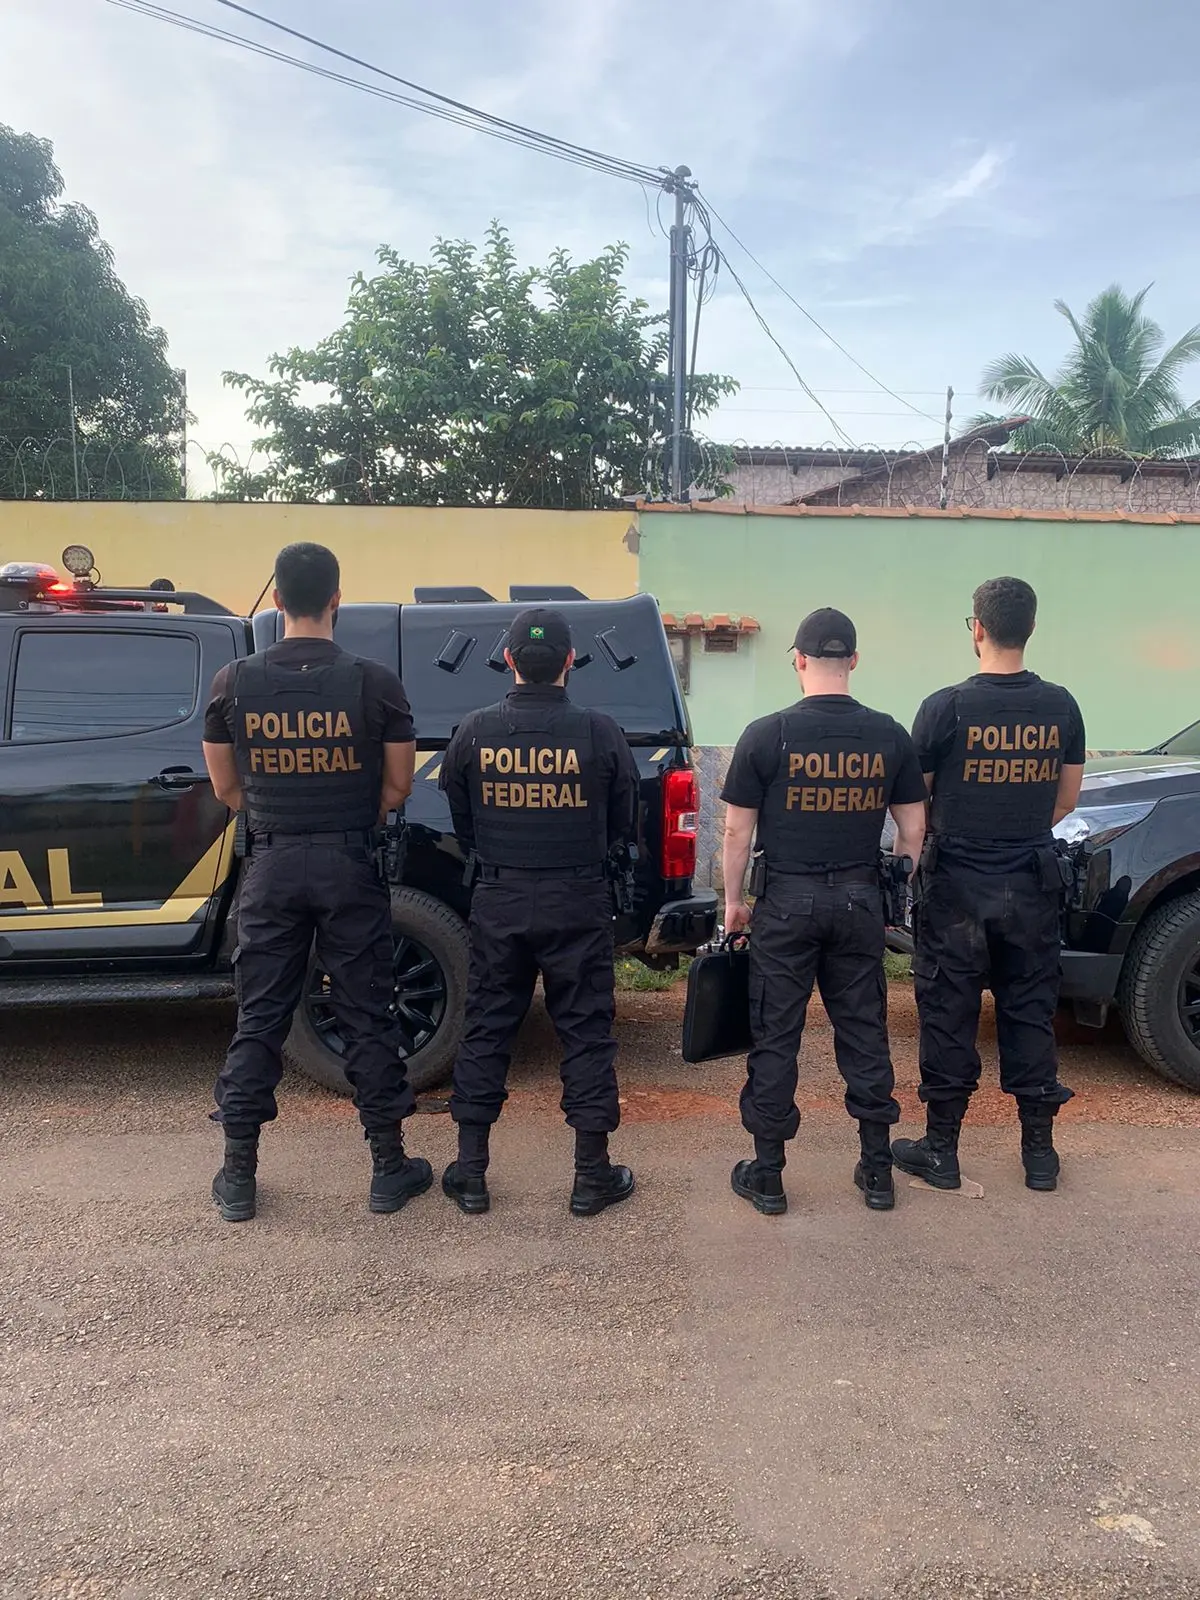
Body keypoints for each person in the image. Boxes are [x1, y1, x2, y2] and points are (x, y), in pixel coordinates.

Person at [201, 542, 430, 1222]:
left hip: (271, 865)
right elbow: (398, 786)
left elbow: (226, 790)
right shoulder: (375, 683)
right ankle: (388, 1170)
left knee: (260, 1017)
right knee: (366, 1013)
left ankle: (238, 1177)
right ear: (337, 600)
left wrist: (281, 815)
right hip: (348, 865)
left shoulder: (232, 682)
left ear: (276, 601)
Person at [721, 608, 927, 1214]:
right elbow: (913, 828)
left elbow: (735, 832)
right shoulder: (888, 734)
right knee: (864, 1031)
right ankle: (877, 1171)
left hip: (785, 904)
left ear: (800, 660)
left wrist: (734, 903)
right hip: (860, 901)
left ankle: (768, 1176)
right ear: (854, 661)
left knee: (776, 1035)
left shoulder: (767, 734)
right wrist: (897, 890)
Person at [438, 607, 640, 1217]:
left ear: (509, 661)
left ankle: (471, 1173)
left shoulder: (474, 730)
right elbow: (624, 820)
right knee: (586, 1032)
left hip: (499, 899)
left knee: (487, 1028)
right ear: (570, 662)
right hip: (577, 898)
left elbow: (461, 816)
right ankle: (591, 1176)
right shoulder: (600, 731)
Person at [894, 576, 1085, 1193]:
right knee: (1030, 1010)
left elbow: (915, 801)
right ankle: (1039, 1156)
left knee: (947, 1013)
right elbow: (1066, 800)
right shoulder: (1062, 706)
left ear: (976, 628)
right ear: (1031, 629)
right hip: (1031, 881)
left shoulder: (943, 707)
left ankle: (941, 1152)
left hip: (955, 885)